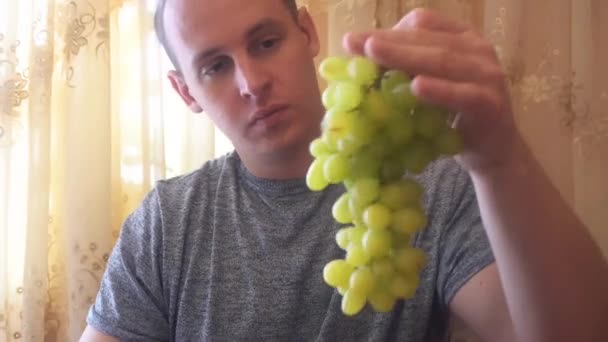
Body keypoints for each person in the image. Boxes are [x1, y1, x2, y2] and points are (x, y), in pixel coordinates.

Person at [81, 0, 608, 341]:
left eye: (266, 42)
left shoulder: (431, 188)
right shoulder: (165, 222)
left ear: (307, 32)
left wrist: (501, 158)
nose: (251, 82)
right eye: (215, 66)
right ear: (184, 92)